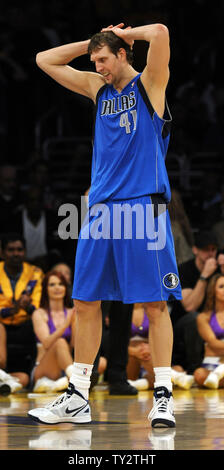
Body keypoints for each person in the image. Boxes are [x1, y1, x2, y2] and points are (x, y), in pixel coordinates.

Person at [28, 22, 182, 428]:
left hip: (143, 207)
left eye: (104, 59)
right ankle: (78, 394)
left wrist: (128, 34)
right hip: (99, 210)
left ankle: (163, 395)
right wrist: (90, 43)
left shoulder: (149, 84)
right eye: (94, 61)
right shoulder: (98, 89)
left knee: (154, 303)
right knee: (85, 301)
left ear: (123, 55)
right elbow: (44, 60)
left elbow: (162, 33)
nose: (98, 67)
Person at [171, 230, 220, 375]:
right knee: (194, 318)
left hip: (211, 320)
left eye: (213, 249)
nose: (211, 254)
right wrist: (204, 276)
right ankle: (195, 369)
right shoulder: (183, 270)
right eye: (206, 250)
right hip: (183, 326)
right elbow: (189, 306)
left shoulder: (219, 269)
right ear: (195, 250)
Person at [0, 233, 43, 392]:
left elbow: (37, 306)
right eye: (11, 250)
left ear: (25, 251)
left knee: (38, 321)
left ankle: (34, 375)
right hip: (2, 325)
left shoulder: (35, 272)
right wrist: (15, 308)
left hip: (26, 325)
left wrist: (26, 307)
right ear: (2, 252)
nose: (16, 253)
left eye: (19, 249)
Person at [127, 303, 194, 391]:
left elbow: (161, 336)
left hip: (150, 356)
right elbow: (114, 342)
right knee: (139, 354)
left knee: (178, 369)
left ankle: (136, 384)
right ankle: (175, 377)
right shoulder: (122, 309)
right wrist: (134, 351)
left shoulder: (152, 307)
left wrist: (150, 349)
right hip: (130, 358)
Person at [31, 270, 75, 393]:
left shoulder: (72, 313)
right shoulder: (39, 313)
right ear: (45, 289)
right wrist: (66, 323)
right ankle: (73, 380)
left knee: (102, 362)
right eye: (52, 284)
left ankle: (61, 383)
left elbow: (73, 345)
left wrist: (76, 321)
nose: (57, 288)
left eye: (61, 284)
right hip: (43, 368)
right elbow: (46, 343)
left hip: (64, 366)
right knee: (59, 342)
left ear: (66, 288)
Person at [194, 273, 224, 389]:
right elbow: (213, 343)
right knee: (199, 374)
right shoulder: (203, 317)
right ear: (213, 291)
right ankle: (217, 375)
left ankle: (217, 378)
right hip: (212, 364)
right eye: (221, 287)